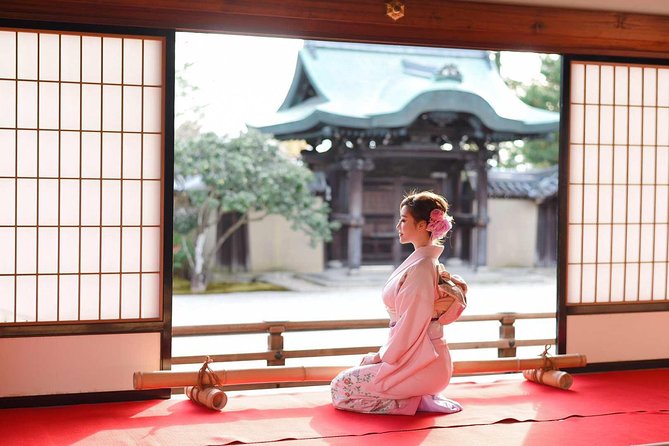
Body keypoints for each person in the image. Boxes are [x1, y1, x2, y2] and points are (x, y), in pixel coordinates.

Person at [330, 191, 463, 415]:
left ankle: (414, 401)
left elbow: (412, 324)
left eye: (403, 220)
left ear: (422, 225)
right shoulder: (422, 262)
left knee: (341, 389)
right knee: (346, 382)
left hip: (424, 361)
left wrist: (381, 356)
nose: (398, 225)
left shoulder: (422, 267)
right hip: (419, 353)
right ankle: (417, 398)